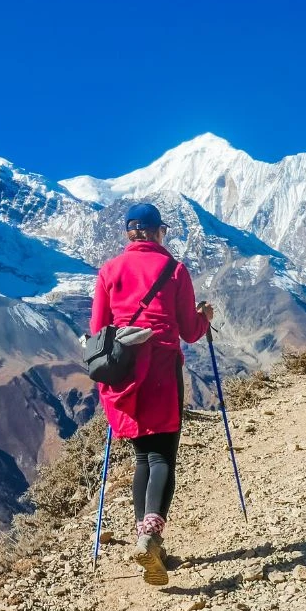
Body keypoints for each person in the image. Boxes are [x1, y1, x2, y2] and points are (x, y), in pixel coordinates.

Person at [90, 202, 213, 586]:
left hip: (123, 373)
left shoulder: (109, 271)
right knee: (162, 456)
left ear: (130, 233)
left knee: (142, 455)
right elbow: (190, 331)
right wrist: (204, 316)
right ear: (159, 232)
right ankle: (151, 537)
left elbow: (98, 330)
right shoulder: (174, 270)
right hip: (161, 368)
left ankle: (145, 535)